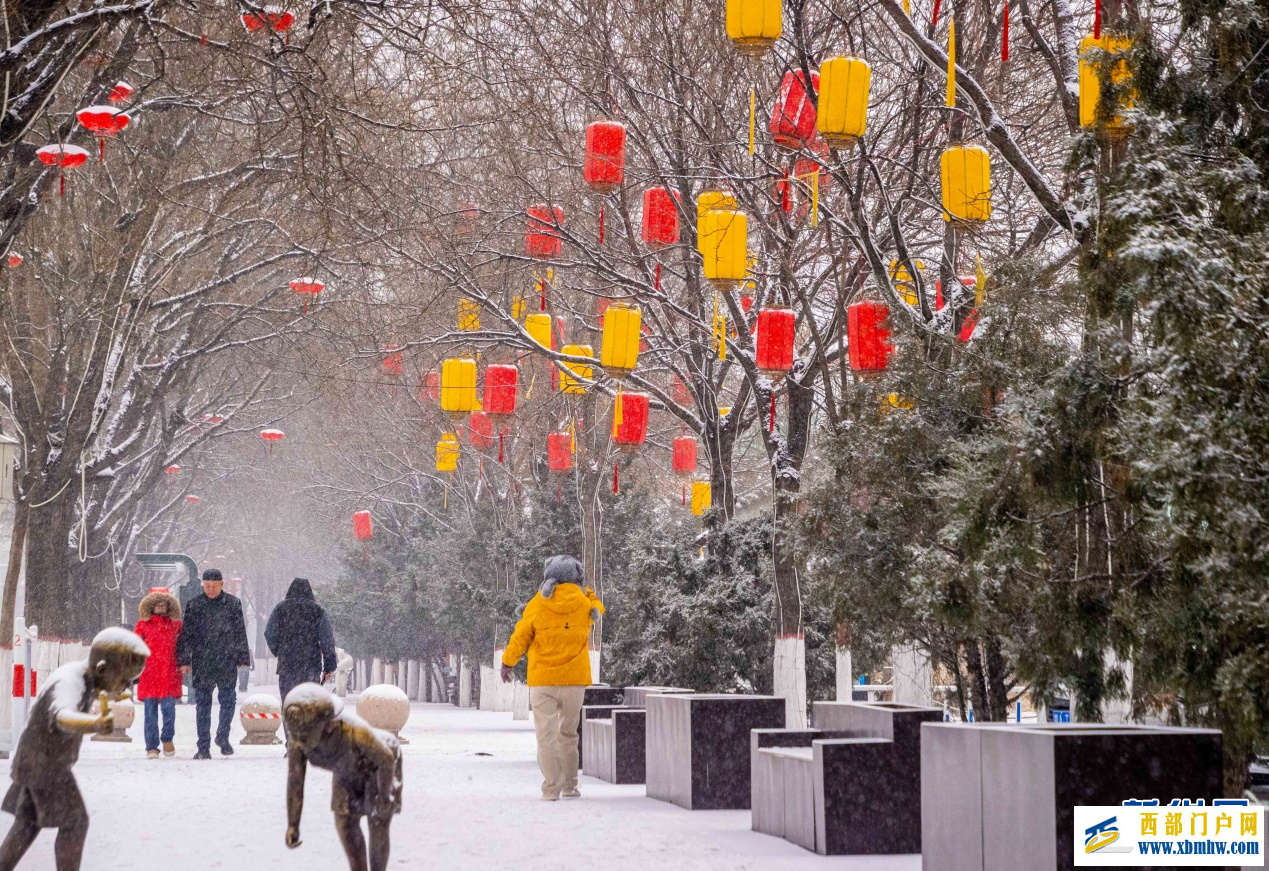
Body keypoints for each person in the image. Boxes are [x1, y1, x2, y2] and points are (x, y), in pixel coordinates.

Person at [0, 628, 149, 871]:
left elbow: (101, 689)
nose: (125, 686)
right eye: (123, 679)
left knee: (27, 824)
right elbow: (62, 716)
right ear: (101, 669)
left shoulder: (87, 678)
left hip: (36, 761)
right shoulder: (70, 681)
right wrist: (95, 724)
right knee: (75, 823)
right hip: (46, 766)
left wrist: (114, 691)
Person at [500, 554, 604, 801]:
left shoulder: (538, 603)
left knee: (546, 737)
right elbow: (598, 609)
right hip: (574, 682)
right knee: (569, 735)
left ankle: (551, 789)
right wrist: (588, 592)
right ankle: (570, 787)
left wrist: (507, 662)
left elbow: (521, 636)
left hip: (542, 681)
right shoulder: (583, 603)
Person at [282, 683, 402, 871]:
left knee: (378, 821)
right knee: (345, 823)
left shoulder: (355, 733)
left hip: (379, 769)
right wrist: (293, 824)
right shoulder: (299, 739)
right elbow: (295, 782)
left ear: (328, 725)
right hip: (345, 770)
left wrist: (384, 797)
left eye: (308, 735)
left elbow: (386, 761)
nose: (301, 741)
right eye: (298, 735)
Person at [177, 568, 251, 759]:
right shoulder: (195, 605)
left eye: (213, 586)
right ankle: (203, 747)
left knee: (228, 701)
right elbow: (186, 635)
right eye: (207, 586)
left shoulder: (233, 604)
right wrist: (184, 659)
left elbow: (239, 632)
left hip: (226, 660)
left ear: (221, 585)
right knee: (203, 705)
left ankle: (222, 737)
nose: (210, 589)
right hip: (203, 661)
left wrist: (243, 657)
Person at [264, 578, 338, 702]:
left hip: (287, 665)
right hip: (311, 666)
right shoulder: (317, 611)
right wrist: (329, 665)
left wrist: (279, 650)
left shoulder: (281, 608)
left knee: (289, 704)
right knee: (308, 705)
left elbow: (269, 633)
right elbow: (327, 639)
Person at [133, 587, 183, 759]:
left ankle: (167, 739)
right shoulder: (142, 625)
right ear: (150, 605)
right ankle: (151, 746)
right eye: (157, 604)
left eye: (164, 604)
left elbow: (182, 647)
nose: (161, 607)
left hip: (169, 674)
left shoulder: (176, 625)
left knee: (170, 710)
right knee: (150, 713)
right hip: (149, 675)